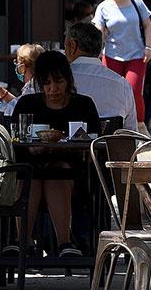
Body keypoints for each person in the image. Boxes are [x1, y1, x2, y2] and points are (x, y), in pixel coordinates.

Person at [10, 52, 100, 258]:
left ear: (68, 80)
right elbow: (14, 138)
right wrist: (31, 147)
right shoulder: (27, 105)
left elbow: (95, 140)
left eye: (59, 82)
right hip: (31, 167)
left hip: (73, 174)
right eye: (47, 83)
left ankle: (64, 241)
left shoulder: (83, 105)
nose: (53, 89)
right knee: (29, 176)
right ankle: (23, 239)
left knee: (56, 173)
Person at [93, 0, 151, 124]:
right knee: (112, 92)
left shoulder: (136, 1)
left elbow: (148, 25)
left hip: (136, 54)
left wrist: (148, 47)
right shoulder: (103, 7)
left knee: (133, 91)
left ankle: (140, 127)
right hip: (112, 55)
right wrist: (97, 50)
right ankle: (114, 125)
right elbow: (98, 30)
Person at [63, 22, 138, 131]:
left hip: (67, 147)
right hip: (109, 147)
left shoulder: (58, 81)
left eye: (65, 47)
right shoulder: (121, 84)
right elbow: (131, 132)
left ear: (72, 46)